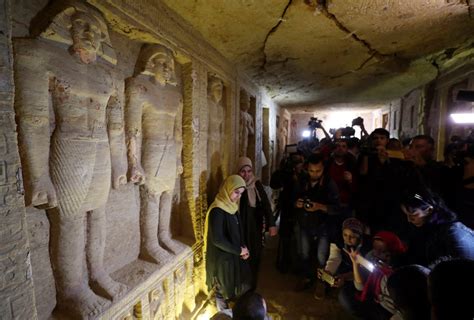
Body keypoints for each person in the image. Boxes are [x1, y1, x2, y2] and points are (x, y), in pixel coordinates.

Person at [15, 1, 127, 317]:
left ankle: (98, 272)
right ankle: (71, 290)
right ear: (69, 28)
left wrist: (120, 163)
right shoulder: (41, 56)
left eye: (97, 31)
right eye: (83, 27)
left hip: (102, 149)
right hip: (69, 147)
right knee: (70, 219)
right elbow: (34, 119)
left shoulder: (108, 75)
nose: (90, 34)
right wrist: (38, 175)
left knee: (99, 214)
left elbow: (116, 125)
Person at [125, 43, 186, 264]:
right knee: (152, 196)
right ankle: (150, 243)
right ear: (150, 64)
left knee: (168, 194)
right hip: (151, 149)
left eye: (170, 65)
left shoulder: (175, 96)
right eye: (162, 63)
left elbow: (178, 131)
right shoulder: (138, 87)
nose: (168, 69)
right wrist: (134, 161)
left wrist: (179, 158)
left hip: (170, 150)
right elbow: (133, 129)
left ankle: (164, 236)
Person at [205, 175, 250, 310]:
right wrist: (238, 250)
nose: (238, 196)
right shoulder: (217, 210)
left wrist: (243, 248)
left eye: (241, 193)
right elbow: (217, 239)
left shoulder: (232, 208)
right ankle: (223, 315)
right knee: (222, 290)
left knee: (231, 288)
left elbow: (238, 231)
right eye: (236, 192)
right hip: (221, 259)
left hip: (231, 257)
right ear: (227, 189)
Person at [400, 188, 474, 267]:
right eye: (406, 215)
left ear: (429, 210)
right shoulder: (423, 232)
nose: (409, 220)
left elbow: (466, 268)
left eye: (413, 215)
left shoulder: (455, 233)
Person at [341, 231, 407, 320]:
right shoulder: (371, 257)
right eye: (375, 249)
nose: (376, 254)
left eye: (382, 251)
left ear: (391, 254)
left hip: (390, 310)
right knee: (344, 295)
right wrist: (355, 265)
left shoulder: (398, 276)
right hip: (375, 297)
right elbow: (360, 287)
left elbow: (405, 309)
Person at [236, 157, 277, 290]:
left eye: (249, 171)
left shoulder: (256, 184)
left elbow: (265, 204)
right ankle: (242, 286)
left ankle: (252, 287)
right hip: (241, 227)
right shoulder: (235, 185)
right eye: (243, 171)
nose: (246, 175)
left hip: (255, 226)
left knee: (255, 255)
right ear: (238, 172)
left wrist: (271, 224)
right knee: (242, 256)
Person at [317, 218, 370, 299]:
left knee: (346, 296)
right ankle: (324, 284)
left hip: (360, 274)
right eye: (345, 235)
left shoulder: (366, 248)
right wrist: (327, 272)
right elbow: (335, 257)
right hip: (346, 265)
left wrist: (344, 277)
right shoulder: (338, 239)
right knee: (332, 275)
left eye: (352, 236)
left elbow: (363, 272)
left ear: (359, 236)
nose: (347, 239)